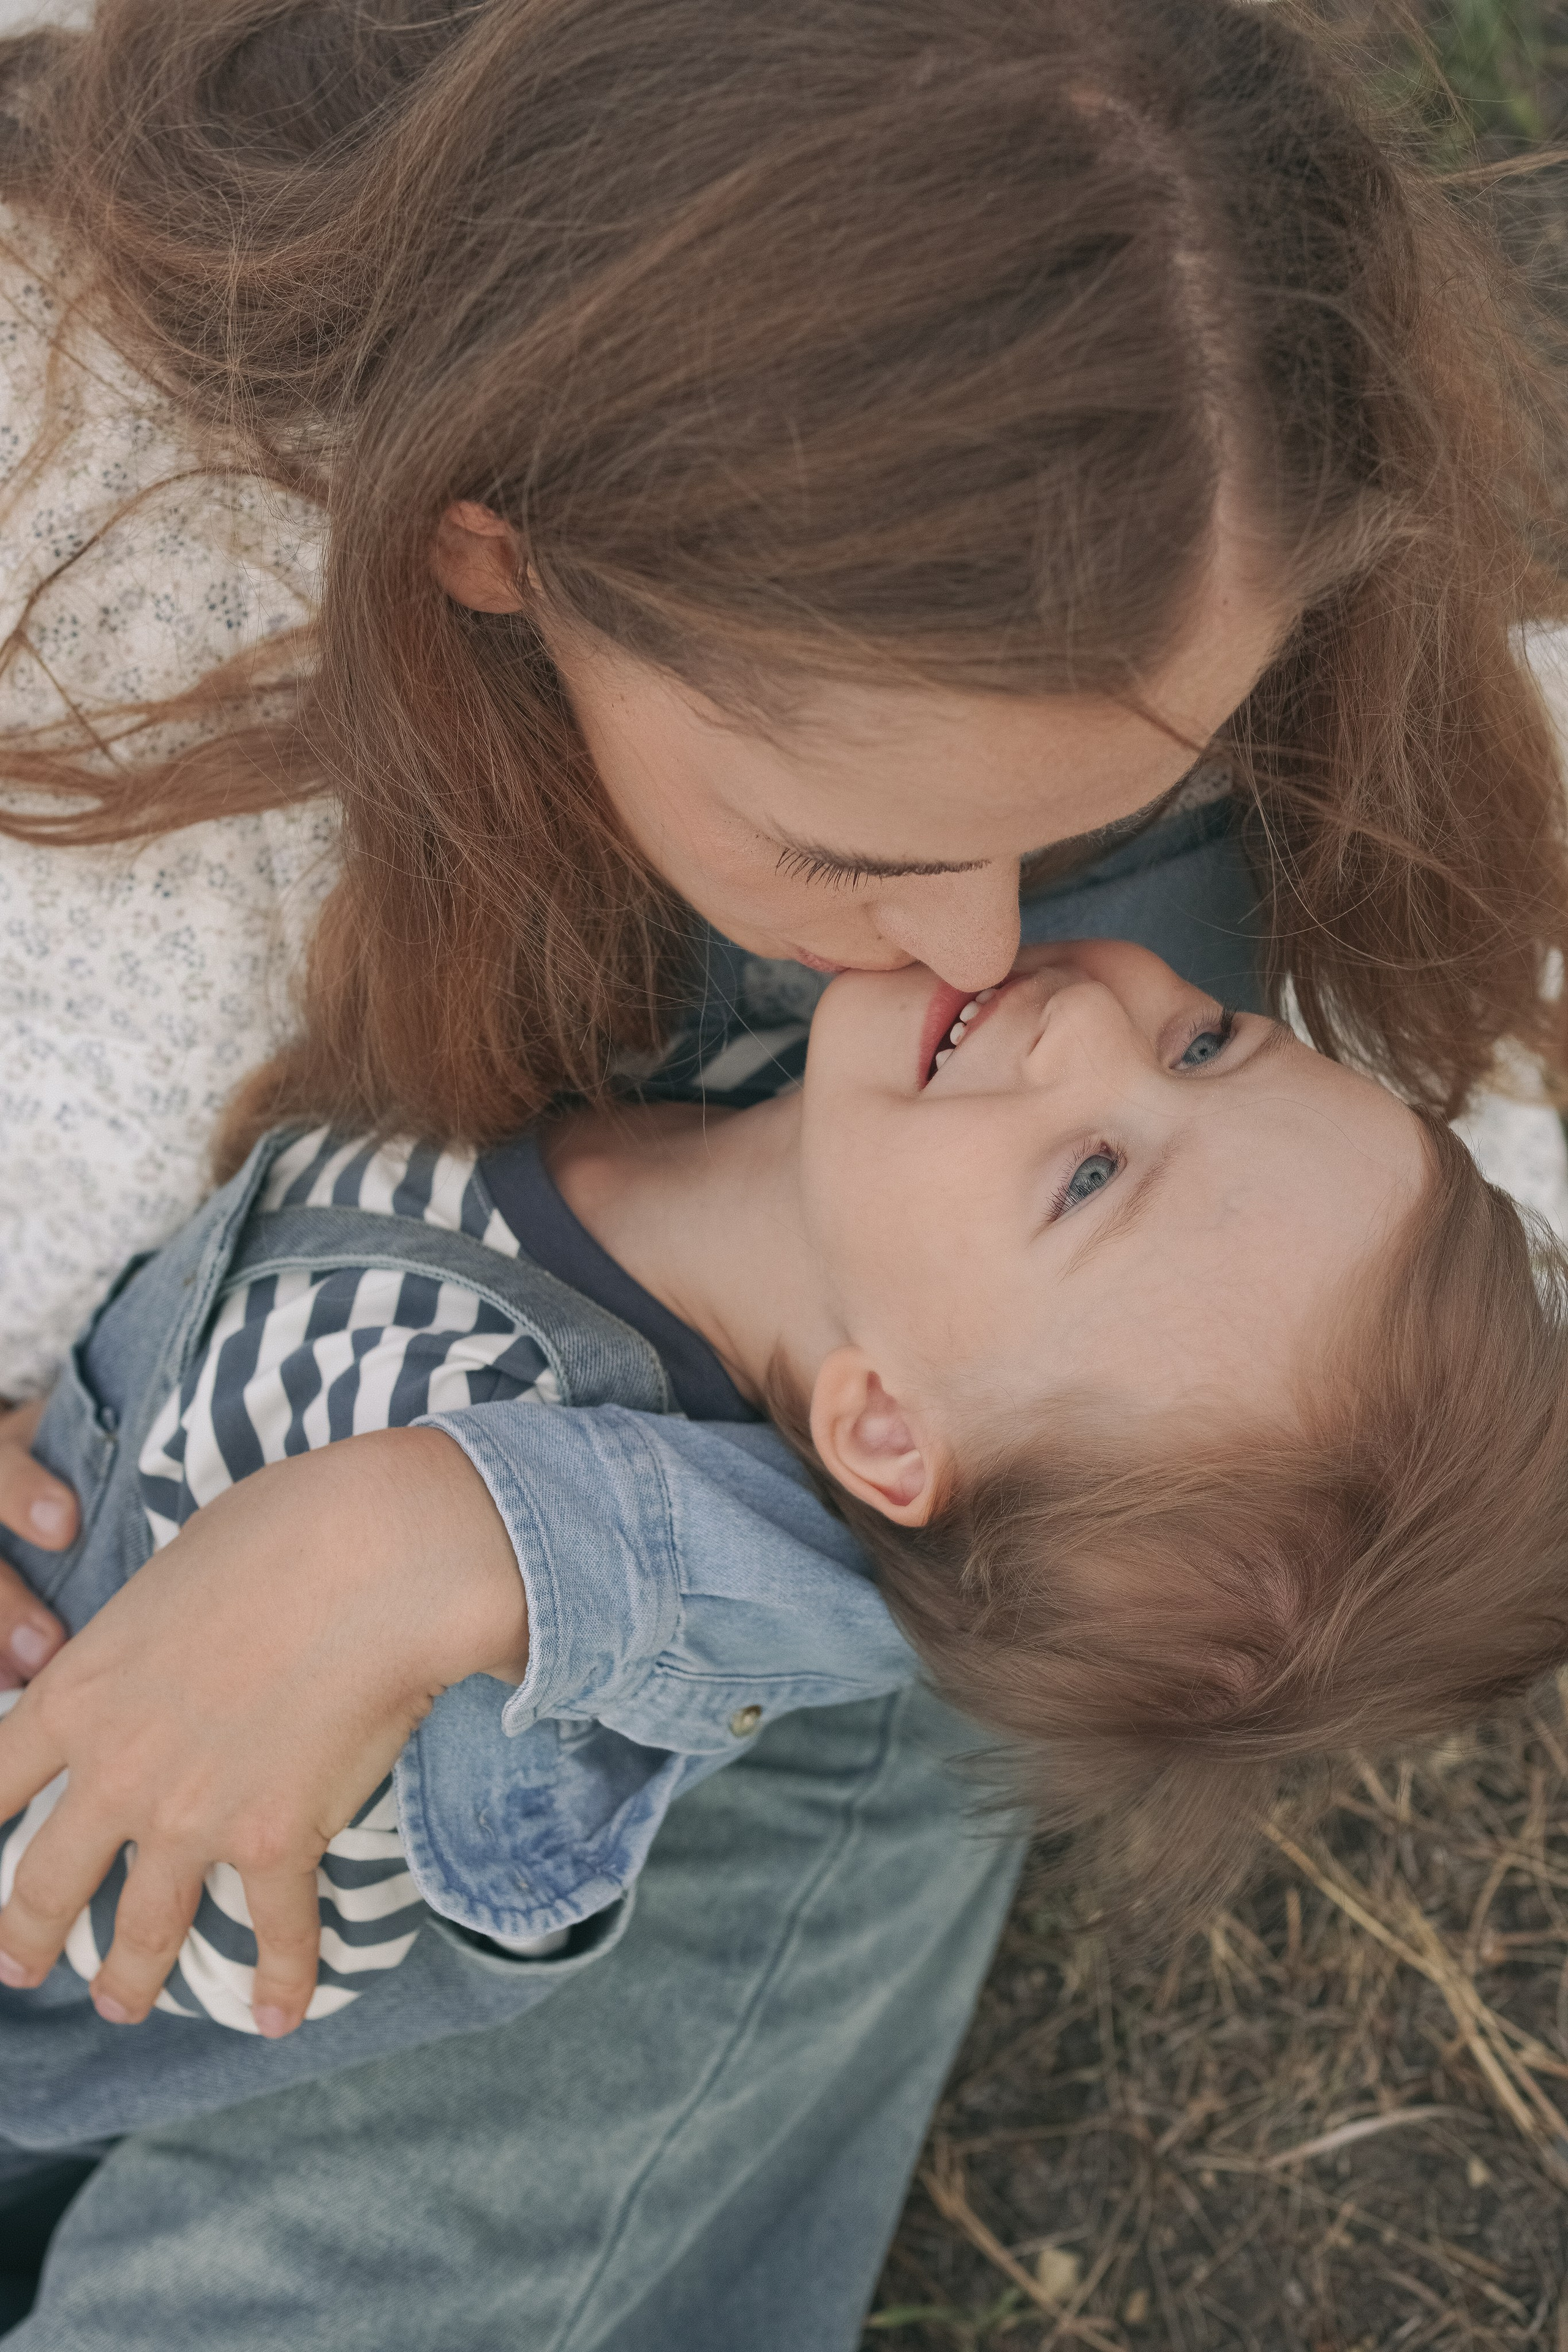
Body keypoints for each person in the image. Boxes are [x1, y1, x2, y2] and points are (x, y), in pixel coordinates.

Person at [0, 0, 1566, 2342]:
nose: (1006, 956)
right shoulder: (142, 680)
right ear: (496, 555)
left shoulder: (1150, 426)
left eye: (1073, 833)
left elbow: (1264, 1478)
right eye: (863, 847)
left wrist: (542, 1547)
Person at [4, 934, 1568, 2155]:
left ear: (884, 1431)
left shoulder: (448, 1462)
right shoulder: (760, 1070)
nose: (1090, 1022)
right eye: (1209, 1043)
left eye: (1087, 1177)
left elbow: (165, 1908)